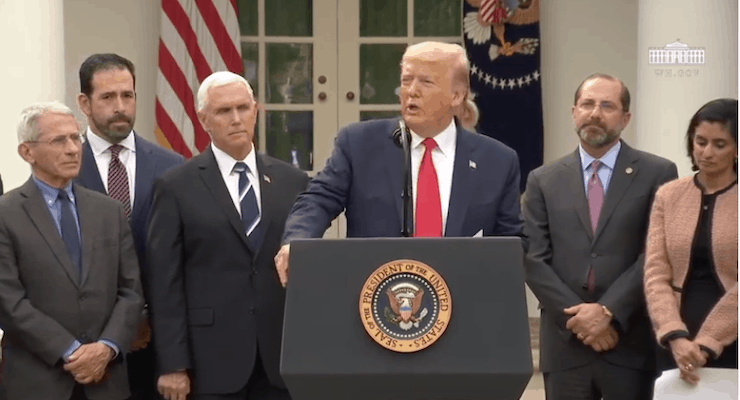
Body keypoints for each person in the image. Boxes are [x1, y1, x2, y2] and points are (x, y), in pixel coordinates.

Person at [274, 41, 522, 285]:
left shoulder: (498, 161)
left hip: (461, 297)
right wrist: (297, 242)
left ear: (456, 96)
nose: (411, 91)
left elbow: (511, 244)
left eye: (426, 82)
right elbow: (318, 199)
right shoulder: (359, 144)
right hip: (374, 296)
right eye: (406, 80)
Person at [145, 71, 309, 400]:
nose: (236, 119)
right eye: (223, 111)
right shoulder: (176, 186)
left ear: (256, 111)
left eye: (243, 108)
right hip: (210, 361)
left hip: (280, 360)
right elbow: (164, 283)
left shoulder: (293, 181)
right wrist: (173, 364)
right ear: (203, 120)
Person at [523, 73, 678, 400]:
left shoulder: (658, 173)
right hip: (565, 344)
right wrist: (580, 319)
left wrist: (608, 311)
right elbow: (533, 259)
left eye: (607, 106)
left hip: (629, 341)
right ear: (574, 112)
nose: (595, 113)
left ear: (625, 118)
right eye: (587, 104)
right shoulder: (542, 180)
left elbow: (656, 252)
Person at [0, 102, 143, 400]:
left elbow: (131, 291)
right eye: (58, 141)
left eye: (75, 138)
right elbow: (9, 302)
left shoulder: (110, 211)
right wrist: (71, 351)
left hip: (107, 380)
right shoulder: (6, 215)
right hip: (37, 384)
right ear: (27, 152)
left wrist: (106, 347)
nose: (73, 149)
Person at [74, 53, 184, 400]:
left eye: (128, 95)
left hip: (157, 348)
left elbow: (180, 259)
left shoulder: (172, 167)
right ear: (84, 103)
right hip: (87, 351)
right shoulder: (64, 169)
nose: (120, 107)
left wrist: (149, 321)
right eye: (108, 97)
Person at [644, 98, 738, 385]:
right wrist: (674, 335)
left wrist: (708, 343)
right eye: (700, 142)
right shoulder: (668, 195)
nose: (706, 153)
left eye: (719, 144)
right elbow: (655, 274)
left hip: (732, 338)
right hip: (674, 340)